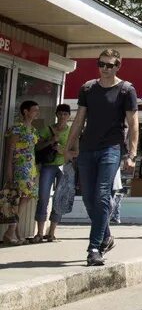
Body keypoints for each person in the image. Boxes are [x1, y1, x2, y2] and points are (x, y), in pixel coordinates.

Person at [66, 49, 138, 266]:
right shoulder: (88, 88)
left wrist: (132, 154)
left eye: (109, 65)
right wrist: (68, 146)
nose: (105, 68)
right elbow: (79, 120)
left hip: (111, 148)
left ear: (118, 66)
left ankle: (94, 248)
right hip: (87, 148)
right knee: (88, 198)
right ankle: (106, 236)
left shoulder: (126, 90)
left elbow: (134, 124)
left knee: (101, 195)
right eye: (101, 64)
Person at [32, 104, 71, 243]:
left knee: (59, 199)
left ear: (69, 116)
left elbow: (77, 152)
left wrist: (64, 151)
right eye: (60, 114)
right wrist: (50, 141)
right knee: (43, 197)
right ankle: (40, 233)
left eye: (65, 114)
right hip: (48, 166)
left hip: (63, 167)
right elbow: (36, 147)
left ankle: (52, 232)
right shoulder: (47, 129)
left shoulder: (72, 131)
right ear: (56, 114)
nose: (62, 117)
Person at [2, 100, 40, 245]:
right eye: (35, 110)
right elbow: (10, 151)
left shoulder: (33, 130)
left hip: (30, 168)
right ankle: (11, 231)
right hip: (19, 166)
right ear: (25, 111)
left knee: (28, 196)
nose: (37, 113)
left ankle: (14, 230)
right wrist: (9, 170)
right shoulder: (17, 128)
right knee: (22, 196)